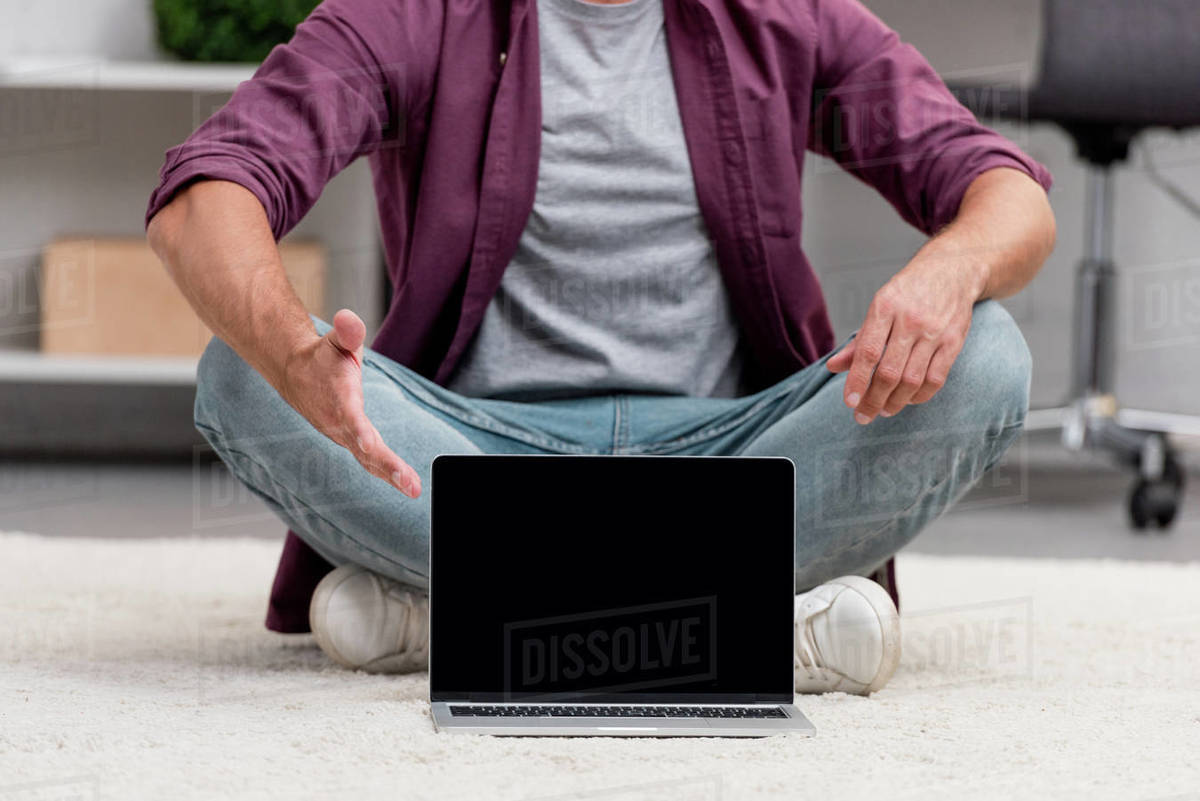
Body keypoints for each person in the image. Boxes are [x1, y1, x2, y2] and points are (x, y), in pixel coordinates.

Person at [146, 0, 1055, 695]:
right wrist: (294, 357)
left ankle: (462, 617)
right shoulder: (417, 11)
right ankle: (736, 624)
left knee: (988, 354)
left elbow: (1007, 192)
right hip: (477, 457)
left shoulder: (781, 13)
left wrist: (951, 267)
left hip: (733, 460)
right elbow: (205, 195)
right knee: (244, 370)